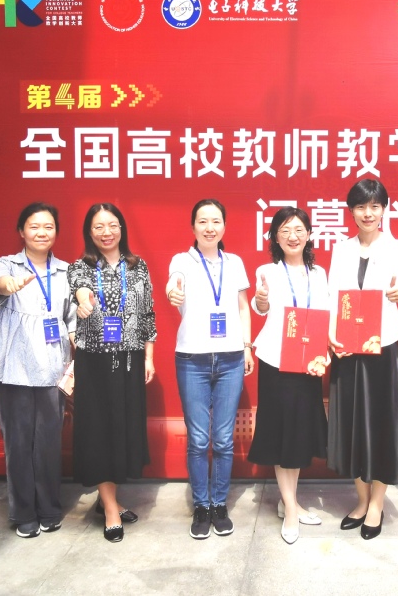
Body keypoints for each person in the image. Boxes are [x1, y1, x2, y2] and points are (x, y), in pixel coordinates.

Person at [0, 202, 76, 538]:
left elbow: (70, 318)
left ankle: (49, 508)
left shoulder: (66, 271)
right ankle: (23, 513)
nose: (41, 232)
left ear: (56, 232)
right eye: (34, 226)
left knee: (48, 441)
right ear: (22, 231)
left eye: (48, 226)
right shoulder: (6, 264)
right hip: (13, 365)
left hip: (50, 364)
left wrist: (79, 341)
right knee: (18, 440)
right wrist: (11, 284)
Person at [68, 203, 157, 543]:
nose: (106, 232)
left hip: (130, 361)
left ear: (122, 228)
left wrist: (149, 357)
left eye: (112, 225)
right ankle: (109, 509)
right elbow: (79, 288)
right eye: (98, 226)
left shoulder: (138, 266)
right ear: (89, 232)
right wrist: (83, 300)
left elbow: (148, 314)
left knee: (121, 432)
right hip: (94, 364)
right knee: (100, 433)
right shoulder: (80, 267)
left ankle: (110, 499)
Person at [166, 199, 254, 540]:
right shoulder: (182, 260)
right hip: (193, 359)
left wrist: (247, 346)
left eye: (216, 221)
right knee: (199, 439)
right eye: (202, 221)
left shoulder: (235, 263)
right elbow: (173, 284)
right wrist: (172, 292)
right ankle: (201, 506)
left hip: (231, 358)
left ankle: (219, 504)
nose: (209, 227)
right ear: (193, 227)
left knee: (224, 439)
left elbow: (244, 308)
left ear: (224, 226)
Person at [327, 179, 398, 540]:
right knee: (352, 424)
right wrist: (331, 335)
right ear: (352, 211)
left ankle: (377, 504)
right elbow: (333, 296)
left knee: (380, 424)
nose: (368, 213)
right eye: (361, 206)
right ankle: (361, 501)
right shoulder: (341, 249)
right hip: (347, 347)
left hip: (382, 346)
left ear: (384, 210)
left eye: (375, 206)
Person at [247, 207, 329, 545]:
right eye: (284, 230)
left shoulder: (319, 273)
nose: (292, 236)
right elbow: (261, 308)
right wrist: (261, 299)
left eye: (298, 229)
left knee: (298, 433)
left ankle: (288, 502)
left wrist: (324, 352)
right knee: (282, 432)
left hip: (308, 361)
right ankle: (292, 510)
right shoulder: (267, 270)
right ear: (275, 238)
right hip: (276, 360)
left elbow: (324, 313)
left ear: (309, 235)